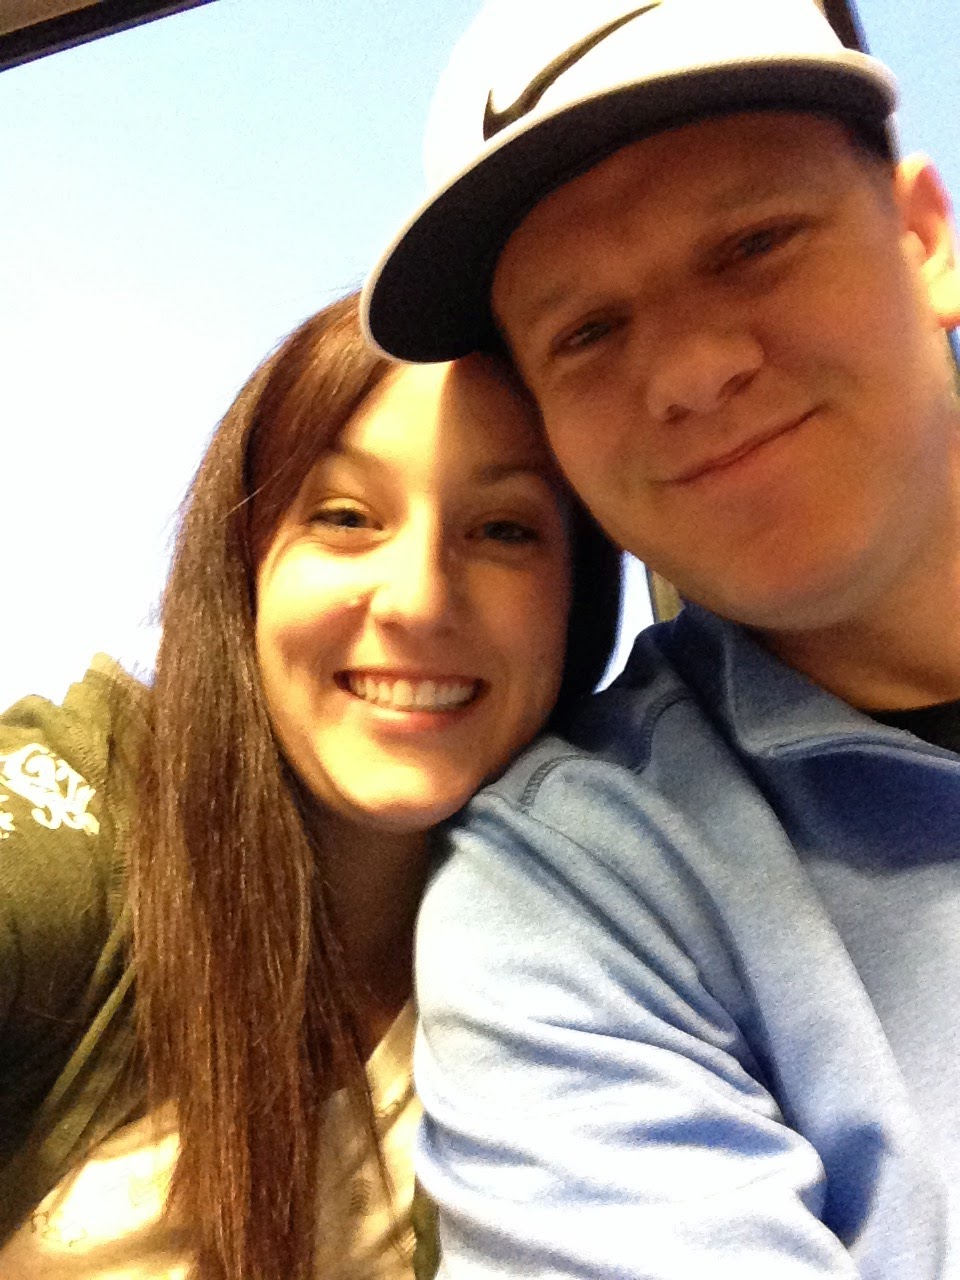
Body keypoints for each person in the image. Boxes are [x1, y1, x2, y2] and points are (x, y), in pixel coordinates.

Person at [360, 0, 960, 1274]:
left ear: (923, 240)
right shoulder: (575, 893)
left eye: (753, 242)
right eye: (585, 331)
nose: (690, 370)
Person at [0, 291, 621, 1280]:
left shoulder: (603, 919)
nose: (420, 599)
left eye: (505, 529)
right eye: (344, 517)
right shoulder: (82, 815)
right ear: (243, 565)